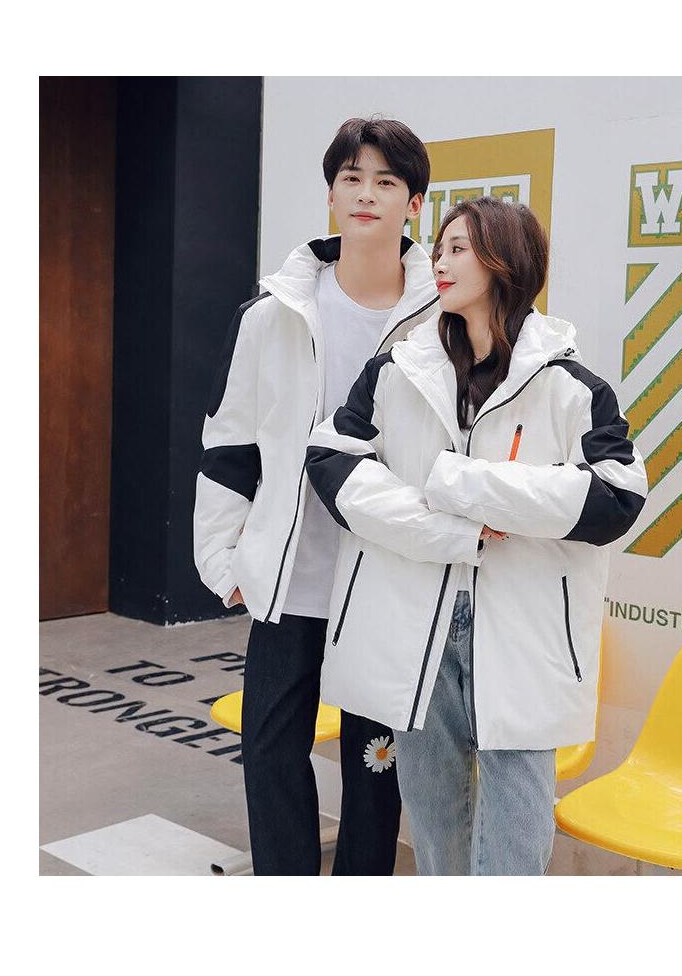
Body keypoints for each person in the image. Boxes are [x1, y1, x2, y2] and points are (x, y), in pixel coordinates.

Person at [305, 196, 648, 875]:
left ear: (504, 261)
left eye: (459, 248)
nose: (439, 260)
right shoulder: (397, 370)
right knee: (435, 825)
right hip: (417, 628)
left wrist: (463, 482)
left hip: (525, 633)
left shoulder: (570, 386)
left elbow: (616, 498)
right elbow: (331, 462)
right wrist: (446, 529)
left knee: (517, 835)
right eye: (440, 247)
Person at [193, 117, 440, 875]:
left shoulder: (441, 320)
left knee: (374, 765)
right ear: (331, 194)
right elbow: (231, 442)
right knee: (271, 751)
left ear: (414, 204)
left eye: (386, 181)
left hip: (383, 578)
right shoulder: (273, 312)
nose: (366, 194)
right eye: (351, 178)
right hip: (289, 575)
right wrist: (224, 559)